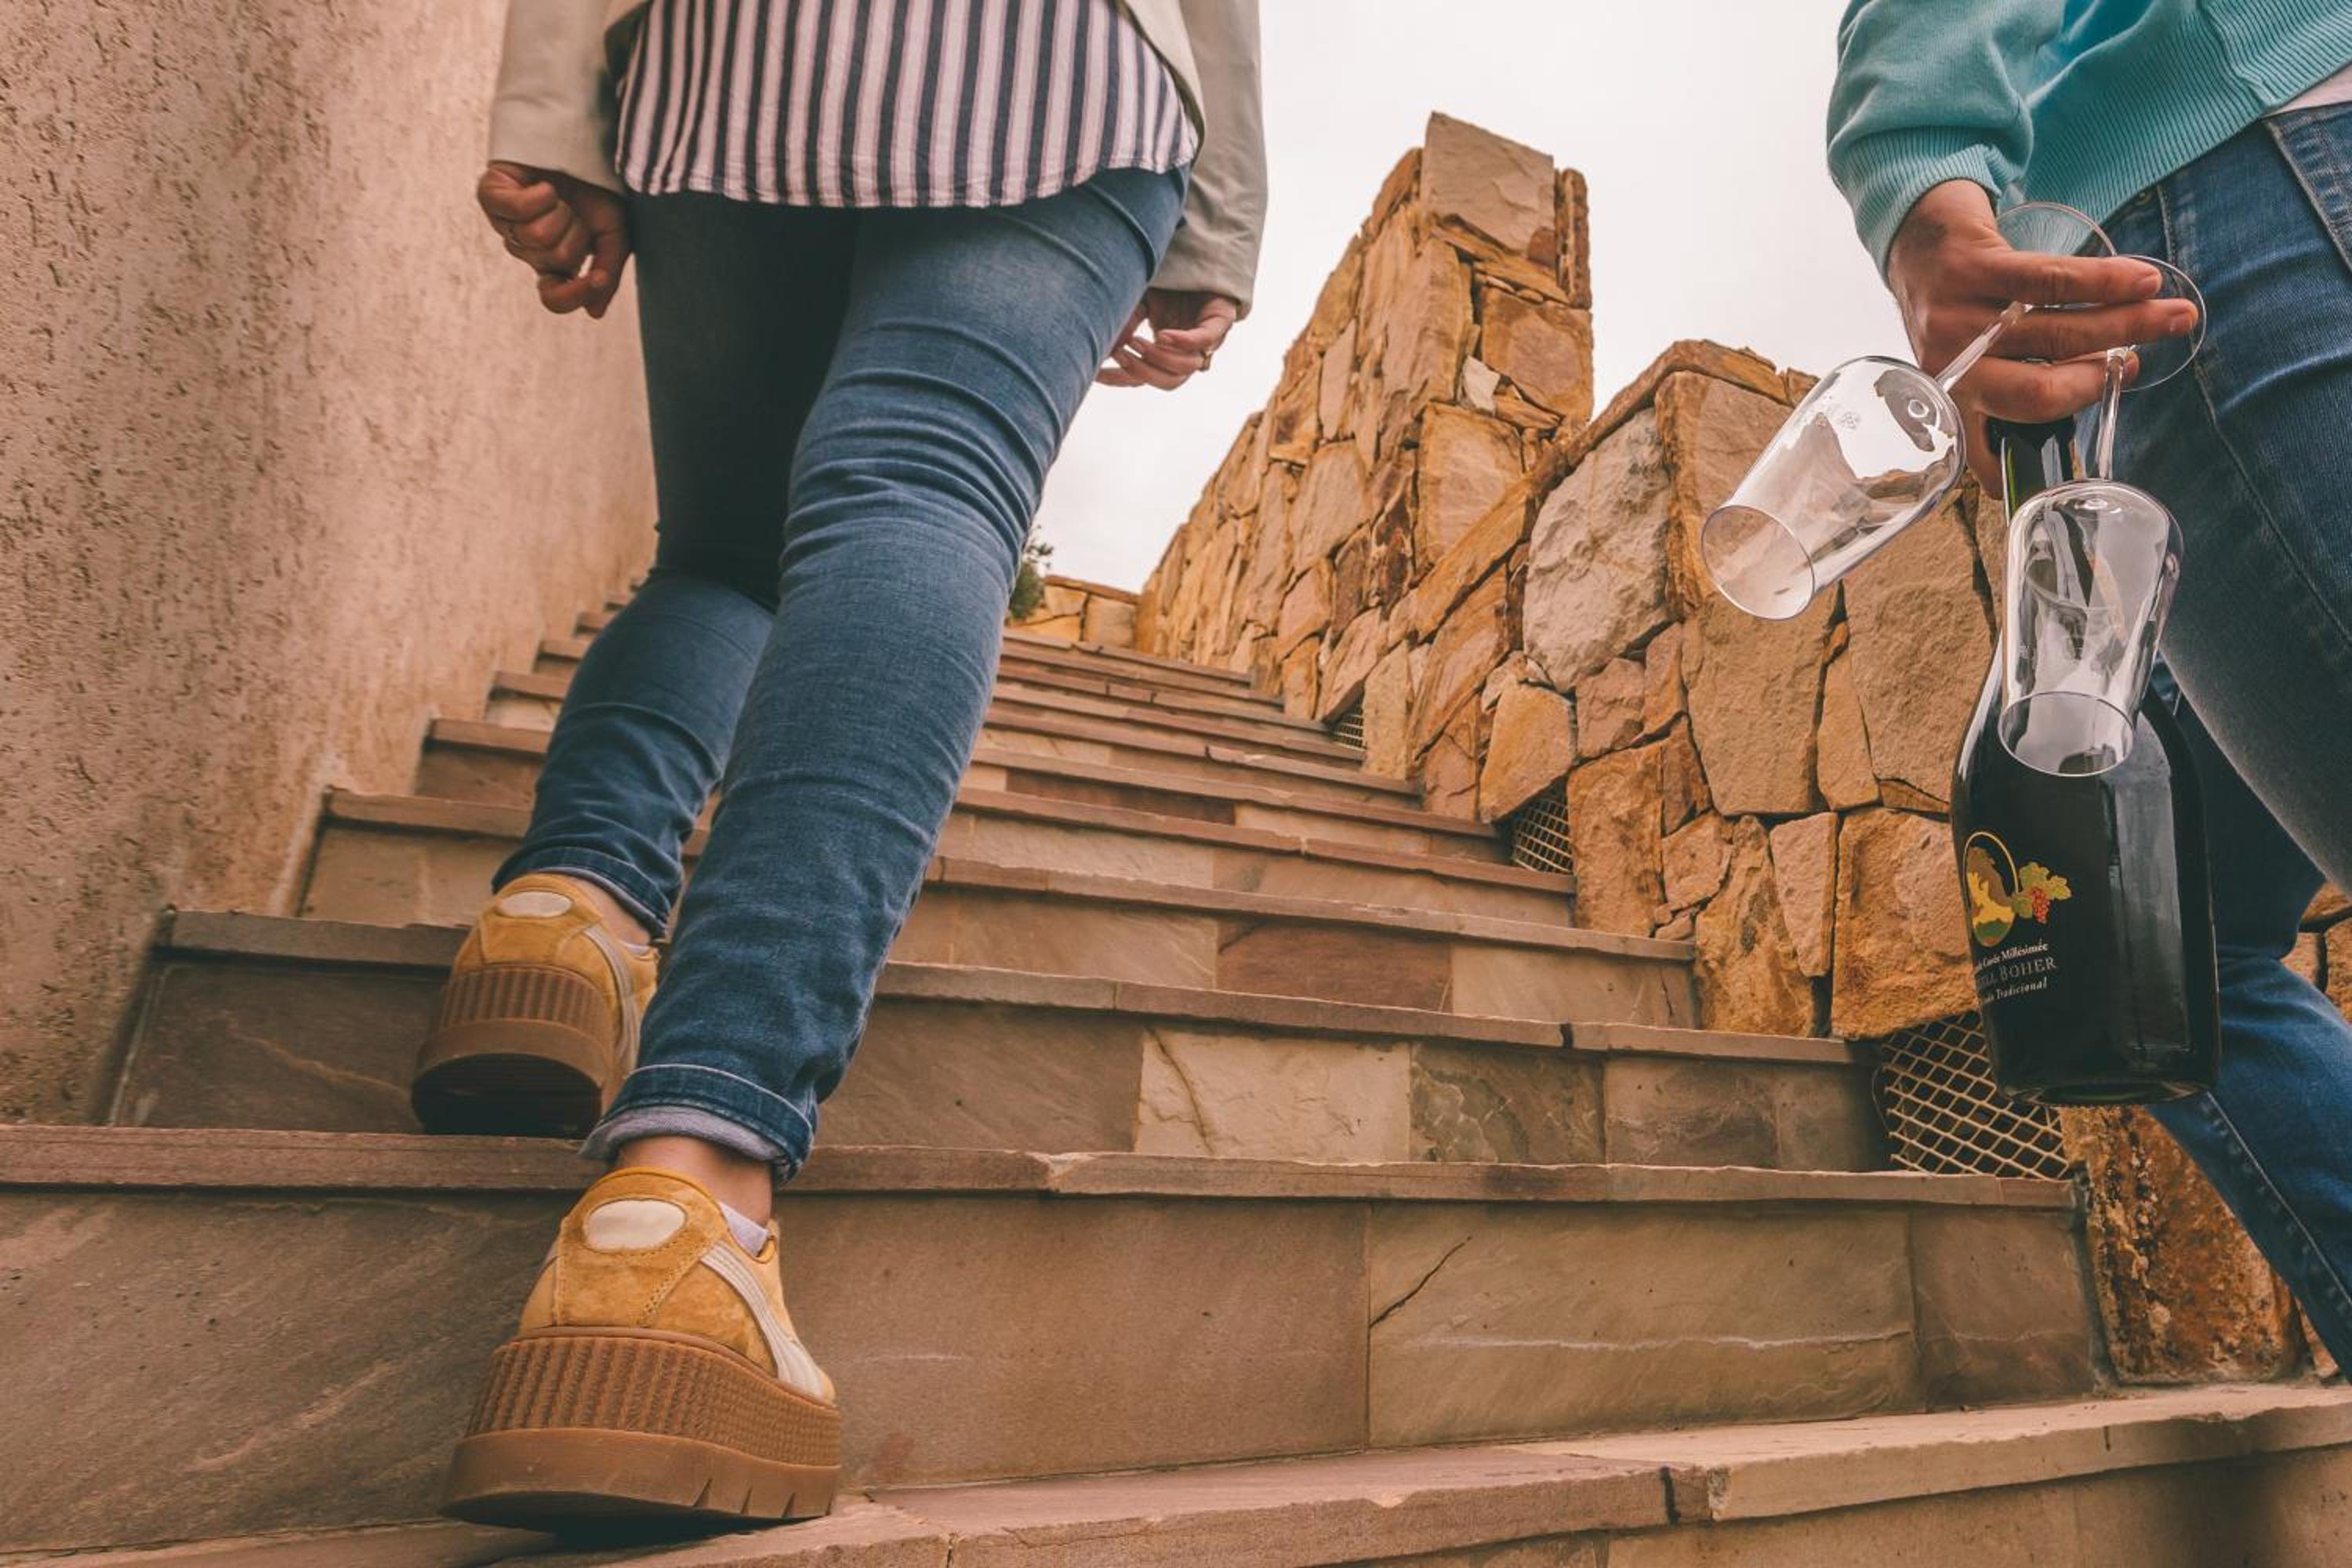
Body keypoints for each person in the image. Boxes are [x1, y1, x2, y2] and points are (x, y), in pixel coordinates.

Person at [415, 0, 1264, 1530]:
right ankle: (686, 1196)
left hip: (738, 53)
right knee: (921, 483)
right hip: (1061, 68)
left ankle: (561, 911)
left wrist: (550, 96)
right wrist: (1217, 222)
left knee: (725, 554)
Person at [1830, 0, 2352, 1367]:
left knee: (2158, 945)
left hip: (2239, 195)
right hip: (2259, 198)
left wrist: (1916, 169)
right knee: (2170, 950)